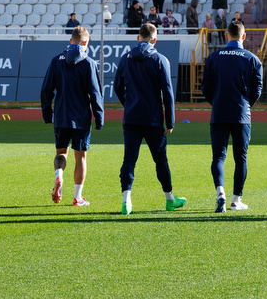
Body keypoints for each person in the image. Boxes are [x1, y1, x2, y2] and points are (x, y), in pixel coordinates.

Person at [113, 22, 187, 215]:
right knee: (161, 160)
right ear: (155, 39)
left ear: (138, 38)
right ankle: (170, 199)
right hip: (153, 119)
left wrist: (128, 104)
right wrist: (169, 121)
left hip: (131, 118)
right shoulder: (159, 59)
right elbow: (168, 93)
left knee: (129, 159)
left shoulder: (125, 58)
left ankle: (126, 201)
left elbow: (117, 88)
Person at [39, 25, 104, 206]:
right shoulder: (89, 63)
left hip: (61, 115)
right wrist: (99, 118)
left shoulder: (56, 61)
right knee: (80, 156)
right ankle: (77, 197)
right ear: (86, 42)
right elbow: (95, 93)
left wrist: (47, 114)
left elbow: (46, 90)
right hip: (81, 117)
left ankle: (59, 175)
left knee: (61, 153)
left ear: (70, 41)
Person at [202, 19, 263, 213]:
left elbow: (205, 88)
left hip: (219, 112)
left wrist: (217, 102)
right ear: (243, 36)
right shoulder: (252, 59)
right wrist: (245, 105)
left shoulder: (213, 57)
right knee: (241, 159)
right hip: (241, 115)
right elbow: (257, 90)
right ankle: (236, 200)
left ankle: (220, 193)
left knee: (218, 157)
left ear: (226, 35)